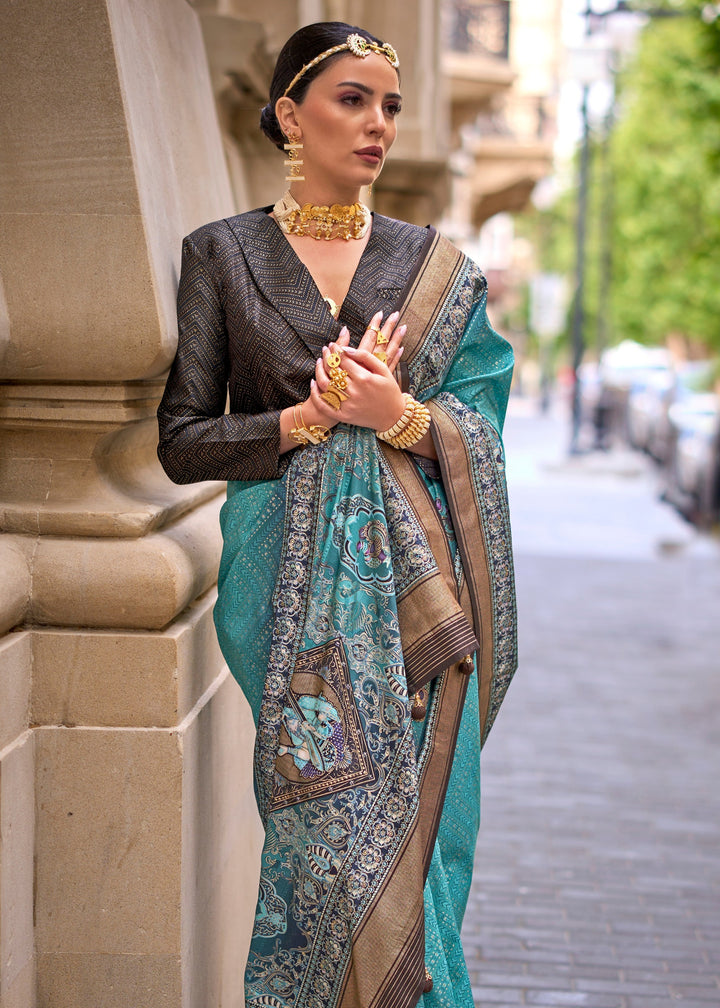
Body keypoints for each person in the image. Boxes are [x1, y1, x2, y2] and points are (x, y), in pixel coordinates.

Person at [157, 21, 517, 1008]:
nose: (377, 125)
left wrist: (398, 416)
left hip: (416, 617)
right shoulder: (224, 257)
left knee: (412, 860)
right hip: (280, 604)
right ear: (288, 115)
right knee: (323, 859)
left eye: (390, 104)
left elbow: (481, 422)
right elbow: (183, 440)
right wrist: (305, 419)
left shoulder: (436, 267)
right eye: (352, 100)